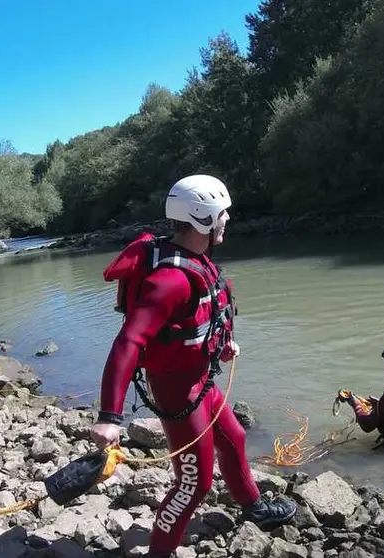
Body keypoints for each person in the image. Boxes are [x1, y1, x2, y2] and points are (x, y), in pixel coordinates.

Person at [90, 175, 297, 558]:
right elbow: (128, 343)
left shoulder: (197, 260)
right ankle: (159, 553)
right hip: (177, 391)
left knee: (233, 437)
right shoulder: (168, 281)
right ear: (203, 219)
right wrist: (109, 416)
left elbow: (199, 318)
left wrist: (221, 343)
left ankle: (254, 508)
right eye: (223, 214)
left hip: (199, 379)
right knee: (194, 484)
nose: (228, 220)